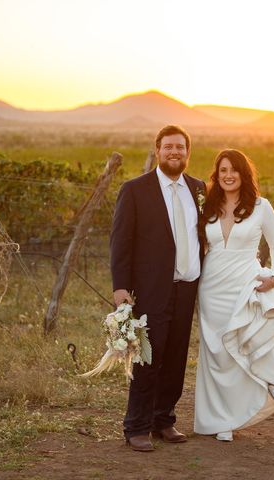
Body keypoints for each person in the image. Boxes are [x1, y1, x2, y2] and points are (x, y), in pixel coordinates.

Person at [193, 149, 274, 447]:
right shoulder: (208, 206)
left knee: (261, 352)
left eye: (234, 169)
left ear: (244, 173)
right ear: (216, 175)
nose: (228, 175)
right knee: (219, 356)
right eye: (222, 170)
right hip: (212, 289)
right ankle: (226, 419)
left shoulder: (260, 206)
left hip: (247, 287)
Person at [110, 124, 205, 452]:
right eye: (169, 147)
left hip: (188, 287)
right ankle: (136, 426)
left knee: (177, 356)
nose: (174, 152)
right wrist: (120, 287)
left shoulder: (199, 188)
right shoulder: (136, 189)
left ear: (187, 153)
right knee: (147, 357)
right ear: (158, 150)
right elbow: (121, 241)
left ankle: (163, 419)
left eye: (180, 147)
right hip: (149, 289)